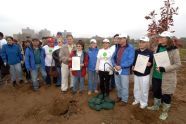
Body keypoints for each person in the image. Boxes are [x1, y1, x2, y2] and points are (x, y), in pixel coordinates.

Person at [147, 31, 181, 120]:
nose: (160, 38)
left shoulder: (174, 50)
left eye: (163, 37)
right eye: (160, 37)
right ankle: (156, 106)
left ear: (168, 40)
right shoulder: (157, 47)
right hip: (155, 75)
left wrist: (164, 69)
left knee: (166, 95)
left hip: (167, 77)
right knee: (156, 91)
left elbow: (178, 64)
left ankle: (165, 111)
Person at [111, 33, 135, 106]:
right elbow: (112, 58)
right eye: (119, 39)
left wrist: (121, 66)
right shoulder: (117, 47)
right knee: (118, 85)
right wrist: (115, 65)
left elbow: (130, 60)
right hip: (116, 69)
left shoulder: (130, 48)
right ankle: (119, 96)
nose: (119, 40)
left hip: (124, 70)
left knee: (124, 86)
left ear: (125, 39)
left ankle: (124, 100)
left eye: (120, 39)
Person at [132, 36, 153, 109]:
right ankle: (137, 99)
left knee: (144, 89)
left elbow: (152, 63)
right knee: (136, 88)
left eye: (143, 42)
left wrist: (150, 64)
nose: (141, 44)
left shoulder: (150, 52)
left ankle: (144, 102)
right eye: (140, 42)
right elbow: (134, 61)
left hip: (145, 74)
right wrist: (133, 66)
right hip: (136, 73)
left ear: (147, 43)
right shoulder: (136, 51)